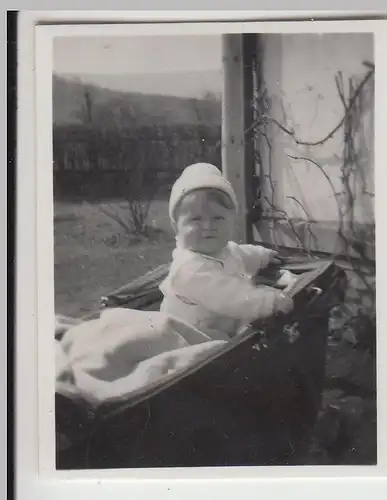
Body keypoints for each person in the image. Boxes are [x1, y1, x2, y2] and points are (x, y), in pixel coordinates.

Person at [159, 162, 294, 341]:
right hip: (190, 335)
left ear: (232, 221)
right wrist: (270, 302)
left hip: (218, 324)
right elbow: (232, 297)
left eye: (218, 218)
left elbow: (242, 254)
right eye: (196, 219)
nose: (208, 226)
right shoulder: (190, 268)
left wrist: (263, 255)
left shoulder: (223, 250)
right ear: (176, 227)